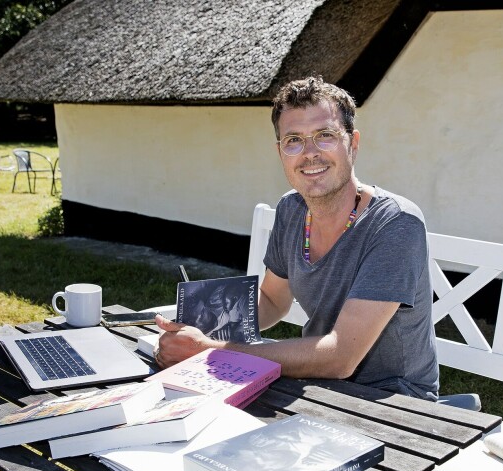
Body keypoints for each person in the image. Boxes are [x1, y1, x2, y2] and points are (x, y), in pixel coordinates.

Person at [154, 76, 439, 401]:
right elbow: (274, 300)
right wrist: (199, 322)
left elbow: (340, 357)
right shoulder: (292, 209)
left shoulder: (395, 223)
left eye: (325, 136)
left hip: (394, 401)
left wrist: (211, 351)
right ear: (281, 152)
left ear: (353, 143)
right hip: (316, 384)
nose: (310, 153)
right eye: (294, 140)